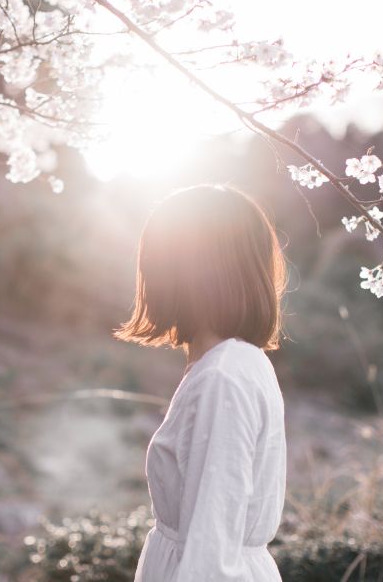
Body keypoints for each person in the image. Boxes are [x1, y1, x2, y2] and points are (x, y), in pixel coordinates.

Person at [114, 183, 287, 581]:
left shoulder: (222, 378)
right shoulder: (237, 363)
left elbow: (212, 551)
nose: (146, 275)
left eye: (156, 259)